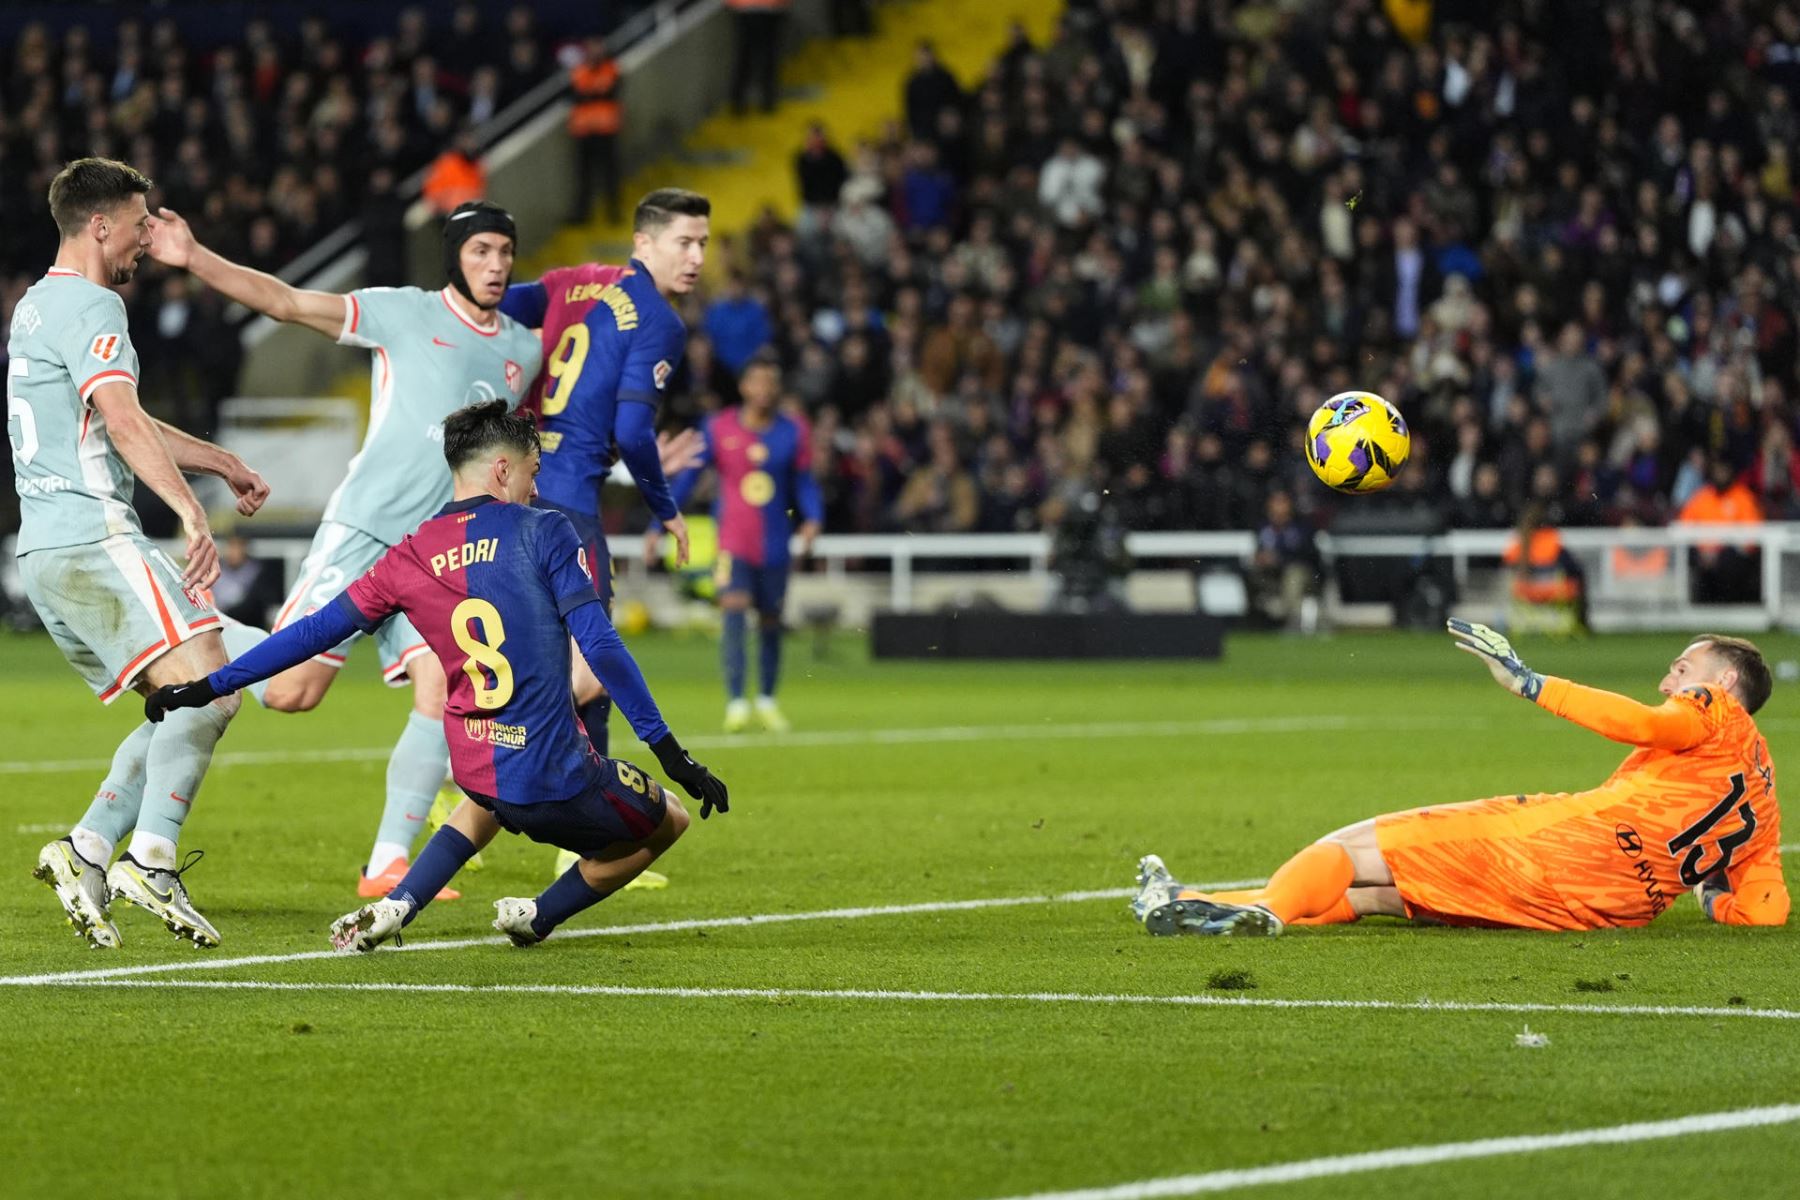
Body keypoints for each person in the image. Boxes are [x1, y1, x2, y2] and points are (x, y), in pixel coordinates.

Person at [144, 402, 729, 950]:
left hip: (474, 764)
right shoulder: (546, 531)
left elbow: (312, 633)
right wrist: (670, 752)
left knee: (486, 801)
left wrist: (207, 685)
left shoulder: (410, 555)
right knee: (666, 822)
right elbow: (601, 646)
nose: (537, 486)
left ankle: (400, 904)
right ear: (502, 469)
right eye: (532, 471)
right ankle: (539, 918)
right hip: (556, 776)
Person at [147, 198, 541, 899]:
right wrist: (195, 256)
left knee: (445, 685)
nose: (496, 265)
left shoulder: (522, 347)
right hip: (370, 530)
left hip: (438, 555)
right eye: (481, 251)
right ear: (454, 256)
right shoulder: (404, 312)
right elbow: (290, 303)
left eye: (505, 253)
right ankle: (195, 625)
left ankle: (389, 862)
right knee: (292, 693)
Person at [1131, 622, 1787, 935]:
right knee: (1378, 897)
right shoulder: (1764, 792)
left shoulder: (1714, 712)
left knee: (1356, 847)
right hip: (1606, 912)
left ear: (1724, 682)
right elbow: (1768, 910)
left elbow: (1645, 725)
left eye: (1681, 667)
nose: (1668, 680)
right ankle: (1197, 901)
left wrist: (1531, 683)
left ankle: (1265, 912)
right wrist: (1711, 899)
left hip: (1561, 844)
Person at [14, 158, 270, 949]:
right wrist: (191, 512)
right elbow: (122, 421)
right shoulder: (96, 303)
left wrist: (218, 462)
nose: (145, 237)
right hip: (97, 536)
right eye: (139, 221)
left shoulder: (35, 306)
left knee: (174, 703)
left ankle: (88, 848)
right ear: (100, 226)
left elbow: (118, 418)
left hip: (46, 551)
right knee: (216, 689)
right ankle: (151, 860)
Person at [499, 188, 709, 763]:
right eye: (684, 242)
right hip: (568, 508)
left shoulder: (576, 281)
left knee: (566, 672)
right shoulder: (660, 321)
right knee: (591, 676)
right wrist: (665, 507)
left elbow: (491, 306)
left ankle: (590, 831)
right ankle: (472, 754)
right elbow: (635, 430)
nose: (696, 258)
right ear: (644, 242)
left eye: (703, 244)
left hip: (516, 491)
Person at [659, 351, 822, 732]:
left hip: (775, 543)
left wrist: (814, 519)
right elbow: (689, 475)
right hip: (733, 541)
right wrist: (665, 514)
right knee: (733, 611)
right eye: (758, 381)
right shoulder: (719, 427)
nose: (765, 390)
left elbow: (804, 481)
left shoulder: (793, 430)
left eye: (771, 382)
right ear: (744, 386)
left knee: (770, 620)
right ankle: (736, 701)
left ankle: (766, 698)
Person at [567, 37, 623, 225]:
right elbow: (576, 95)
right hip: (584, 132)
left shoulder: (611, 68)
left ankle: (613, 213)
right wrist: (594, 92)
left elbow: (610, 91)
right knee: (584, 176)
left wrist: (590, 93)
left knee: (610, 174)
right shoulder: (579, 71)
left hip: (606, 130)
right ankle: (583, 214)